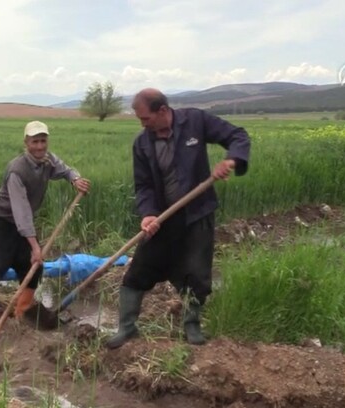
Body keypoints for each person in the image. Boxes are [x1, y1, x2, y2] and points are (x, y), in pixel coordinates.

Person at [106, 88, 250, 348]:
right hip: (163, 217)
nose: (143, 124)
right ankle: (126, 327)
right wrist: (148, 213)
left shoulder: (195, 121)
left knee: (197, 272)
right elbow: (144, 185)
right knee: (139, 269)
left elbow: (237, 136)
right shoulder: (142, 143)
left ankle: (192, 325)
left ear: (162, 111)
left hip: (197, 214)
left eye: (145, 119)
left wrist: (231, 161)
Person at [0, 120, 90, 343]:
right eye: (35, 141)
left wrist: (75, 179)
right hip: (3, 224)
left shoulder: (47, 160)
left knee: (34, 267)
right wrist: (35, 246)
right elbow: (22, 213)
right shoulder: (17, 170)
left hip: (23, 226)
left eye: (43, 140)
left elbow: (64, 169)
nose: (40, 146)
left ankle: (22, 311)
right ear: (26, 143)